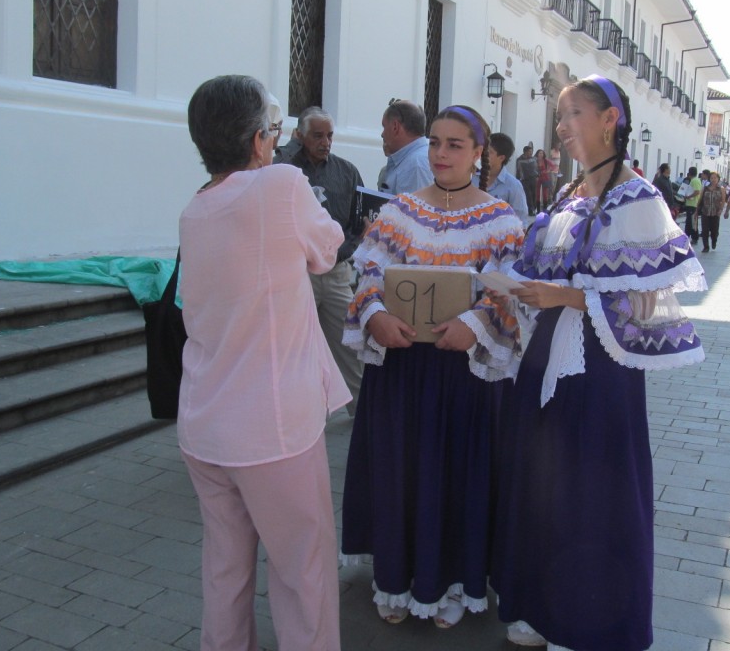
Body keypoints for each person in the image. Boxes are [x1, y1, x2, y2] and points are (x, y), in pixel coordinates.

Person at [491, 75, 705, 651]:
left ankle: (588, 623)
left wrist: (565, 296)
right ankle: (540, 605)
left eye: (572, 114)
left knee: (593, 490)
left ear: (610, 118)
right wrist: (508, 284)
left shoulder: (638, 199)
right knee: (544, 485)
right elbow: (538, 267)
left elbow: (647, 300)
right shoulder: (567, 197)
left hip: (601, 371)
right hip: (546, 363)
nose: (561, 126)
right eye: (559, 116)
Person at [177, 75, 350, 651]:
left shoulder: (195, 209)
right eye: (272, 133)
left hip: (205, 421)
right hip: (274, 428)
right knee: (303, 568)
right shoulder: (280, 185)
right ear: (258, 140)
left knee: (225, 570)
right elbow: (327, 250)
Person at [340, 105, 524, 629]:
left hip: (462, 374)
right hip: (401, 369)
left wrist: (477, 322)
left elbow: (508, 291)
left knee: (454, 477)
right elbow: (369, 273)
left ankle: (449, 583)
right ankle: (395, 579)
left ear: (479, 154)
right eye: (436, 143)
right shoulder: (398, 212)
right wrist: (374, 315)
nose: (441, 154)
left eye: (455, 145)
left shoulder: (501, 222)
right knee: (401, 472)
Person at [287, 108, 366, 411]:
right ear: (300, 135)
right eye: (317, 135)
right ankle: (302, 412)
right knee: (296, 347)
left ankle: (360, 411)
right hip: (297, 273)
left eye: (329, 135)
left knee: (348, 342)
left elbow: (360, 224)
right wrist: (292, 149)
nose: (325, 142)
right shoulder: (283, 167)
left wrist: (345, 251)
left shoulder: (347, 172)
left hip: (336, 273)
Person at [377, 98, 433, 194]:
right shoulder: (421, 157)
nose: (382, 134)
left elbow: (413, 208)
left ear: (395, 127)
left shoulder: (415, 166)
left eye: (384, 126)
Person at [486, 131, 530, 219]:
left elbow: (520, 219)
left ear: (501, 158)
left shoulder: (513, 185)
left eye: (489, 152)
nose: (483, 154)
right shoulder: (471, 178)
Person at [698, 171, 726, 252]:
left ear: (718, 179)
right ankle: (706, 246)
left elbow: (723, 200)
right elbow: (700, 199)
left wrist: (721, 210)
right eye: (711, 178)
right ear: (709, 179)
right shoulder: (705, 188)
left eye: (715, 178)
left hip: (715, 212)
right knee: (705, 230)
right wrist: (697, 210)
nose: (713, 179)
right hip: (705, 212)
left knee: (714, 230)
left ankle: (714, 241)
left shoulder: (721, 189)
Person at [515, 144, 539, 213]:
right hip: (524, 179)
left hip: (533, 179)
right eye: (529, 152)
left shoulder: (534, 159)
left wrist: (537, 175)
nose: (531, 153)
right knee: (528, 195)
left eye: (531, 151)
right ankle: (530, 210)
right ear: (525, 152)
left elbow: (537, 168)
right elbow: (518, 170)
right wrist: (518, 179)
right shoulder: (519, 160)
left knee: (534, 194)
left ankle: (534, 208)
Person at [681, 166, 702, 244]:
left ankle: (693, 237)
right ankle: (689, 236)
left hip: (693, 204)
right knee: (690, 221)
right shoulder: (695, 180)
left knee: (692, 222)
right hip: (691, 204)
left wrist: (688, 196)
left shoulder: (694, 181)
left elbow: (697, 192)